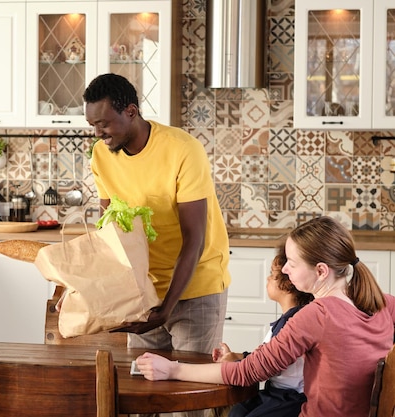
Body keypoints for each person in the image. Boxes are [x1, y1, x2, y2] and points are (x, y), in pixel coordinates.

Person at [135, 216, 395, 417]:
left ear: (321, 271)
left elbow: (247, 373)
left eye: (292, 263)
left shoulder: (317, 315)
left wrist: (172, 369)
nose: (284, 268)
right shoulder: (384, 302)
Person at [83, 73, 231, 358]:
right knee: (142, 392)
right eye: (93, 126)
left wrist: (167, 307)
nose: (98, 134)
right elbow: (110, 234)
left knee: (190, 393)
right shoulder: (101, 155)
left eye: (103, 124)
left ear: (131, 112)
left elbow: (195, 239)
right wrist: (84, 290)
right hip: (144, 291)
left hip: (196, 287)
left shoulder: (183, 150)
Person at [211, 245, 314, 417]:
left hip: (290, 399)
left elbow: (269, 366)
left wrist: (235, 365)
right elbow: (267, 356)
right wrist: (236, 356)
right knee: (236, 412)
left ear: (288, 283)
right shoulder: (285, 320)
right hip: (274, 392)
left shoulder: (293, 323)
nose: (267, 278)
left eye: (273, 276)